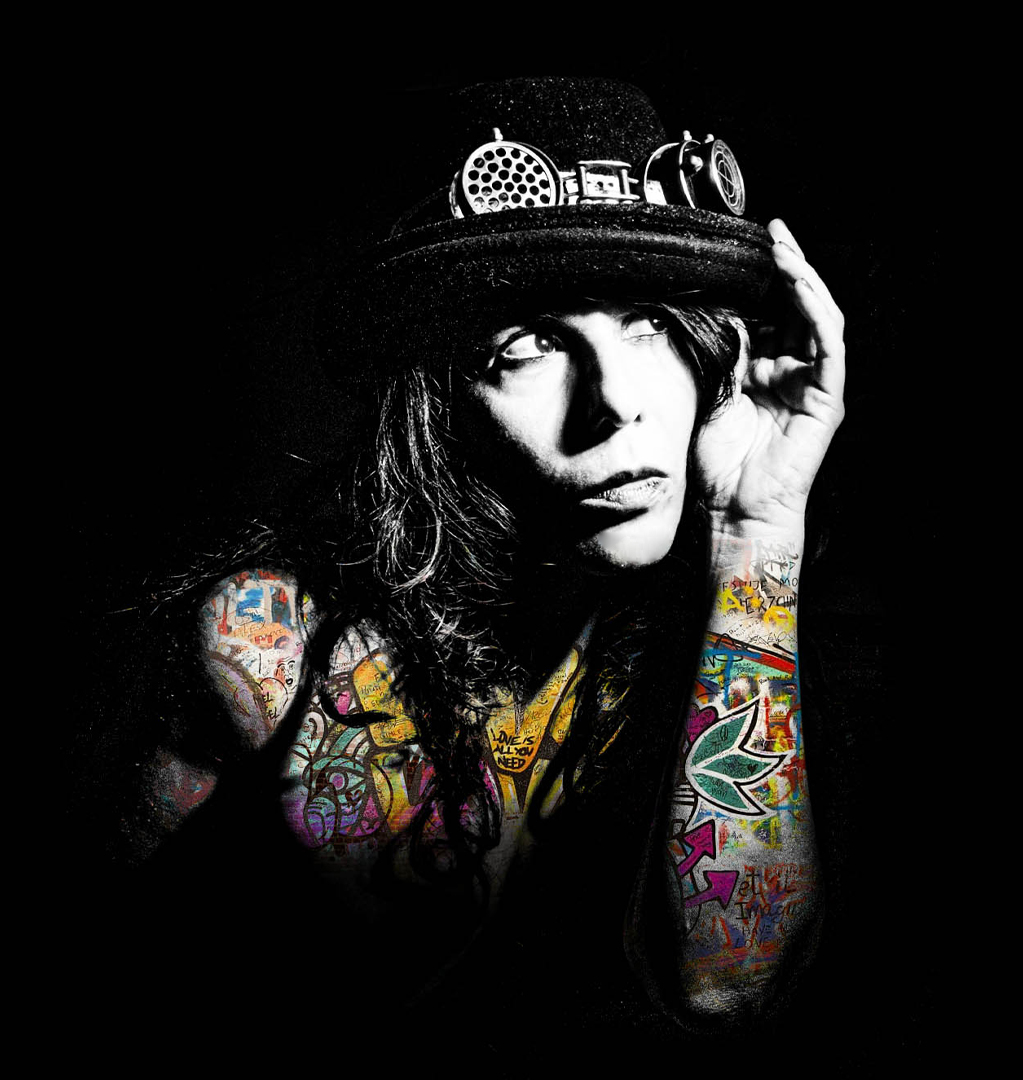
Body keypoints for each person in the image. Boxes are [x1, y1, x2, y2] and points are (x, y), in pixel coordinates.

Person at [120, 76, 845, 1032]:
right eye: (529, 346)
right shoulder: (267, 647)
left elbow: (726, 986)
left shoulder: (705, 628)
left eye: (651, 326)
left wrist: (757, 532)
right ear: (438, 405)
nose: (617, 403)